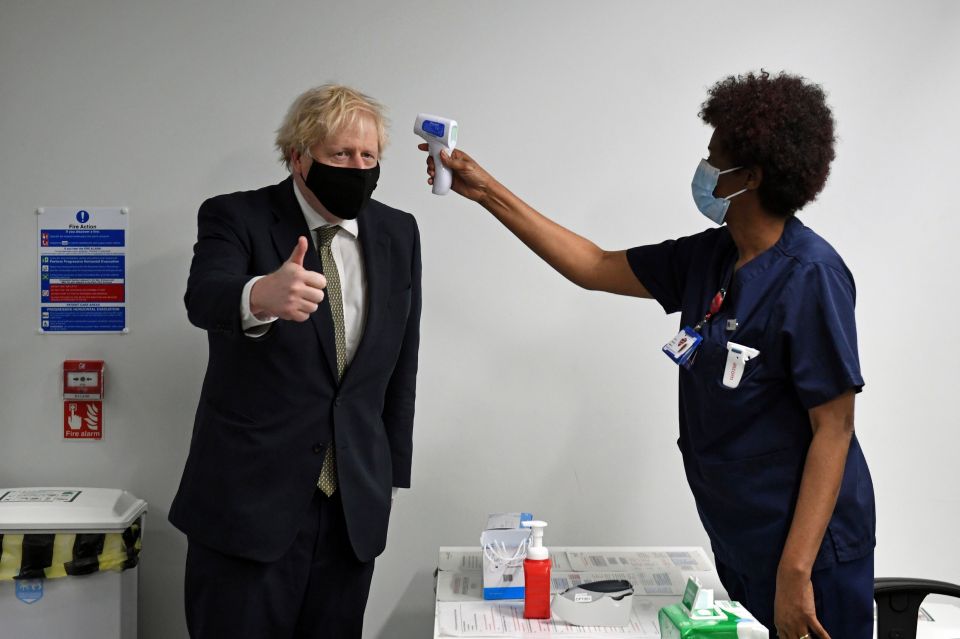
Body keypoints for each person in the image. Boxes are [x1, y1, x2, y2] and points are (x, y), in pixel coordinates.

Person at [421, 71, 874, 639]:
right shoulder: (712, 256)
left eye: (714, 158)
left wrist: (795, 570)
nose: (703, 169)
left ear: (751, 176)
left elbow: (834, 429)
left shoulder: (811, 277)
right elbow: (592, 266)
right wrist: (485, 190)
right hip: (741, 535)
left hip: (810, 555)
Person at [170, 83, 422, 639]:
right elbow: (203, 296)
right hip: (246, 507)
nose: (357, 167)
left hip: (350, 509)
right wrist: (259, 294)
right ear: (298, 156)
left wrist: (388, 474)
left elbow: (402, 364)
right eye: (340, 154)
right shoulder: (236, 215)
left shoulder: (397, 232)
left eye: (369, 156)